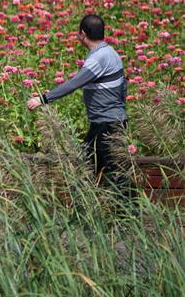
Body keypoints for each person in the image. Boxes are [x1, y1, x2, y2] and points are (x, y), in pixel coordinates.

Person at [27, 14, 132, 197]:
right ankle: (106, 213)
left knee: (96, 172)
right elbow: (123, 88)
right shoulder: (111, 53)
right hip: (112, 122)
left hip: (106, 125)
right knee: (105, 172)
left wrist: (42, 99)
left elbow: (74, 83)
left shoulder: (98, 58)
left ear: (82, 34)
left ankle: (104, 213)